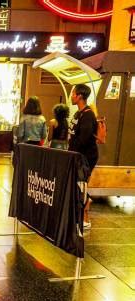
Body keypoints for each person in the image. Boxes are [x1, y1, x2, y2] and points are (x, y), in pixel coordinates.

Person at [68, 83, 99, 230]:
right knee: (77, 185)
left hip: (85, 157)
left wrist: (73, 153)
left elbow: (83, 139)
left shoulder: (88, 115)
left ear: (80, 96)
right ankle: (80, 213)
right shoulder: (77, 113)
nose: (71, 96)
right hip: (76, 156)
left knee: (81, 185)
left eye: (73, 93)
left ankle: (85, 215)